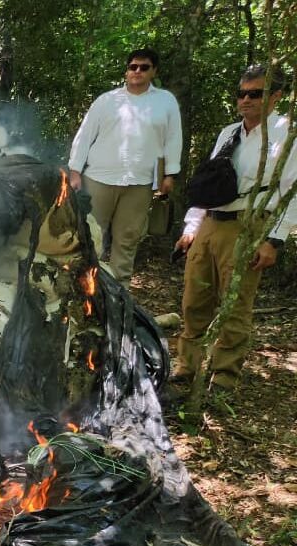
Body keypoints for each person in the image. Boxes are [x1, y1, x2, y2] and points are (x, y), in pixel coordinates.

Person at [172, 64, 297, 396]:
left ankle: (224, 376)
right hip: (211, 222)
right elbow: (209, 183)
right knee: (194, 299)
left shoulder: (287, 135)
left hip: (247, 224)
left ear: (276, 96)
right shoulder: (229, 132)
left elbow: (291, 193)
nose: (245, 100)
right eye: (241, 93)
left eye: (255, 94)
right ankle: (186, 368)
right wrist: (192, 226)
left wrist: (274, 239)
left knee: (235, 302)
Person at [68, 48, 184, 286]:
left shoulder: (166, 101)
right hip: (98, 178)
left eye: (144, 67)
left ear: (154, 71)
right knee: (90, 235)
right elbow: (84, 134)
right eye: (133, 67)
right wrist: (75, 171)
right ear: (127, 70)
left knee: (128, 239)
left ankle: (119, 291)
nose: (137, 71)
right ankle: (83, 288)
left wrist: (170, 174)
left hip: (140, 182)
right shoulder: (107, 100)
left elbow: (173, 138)